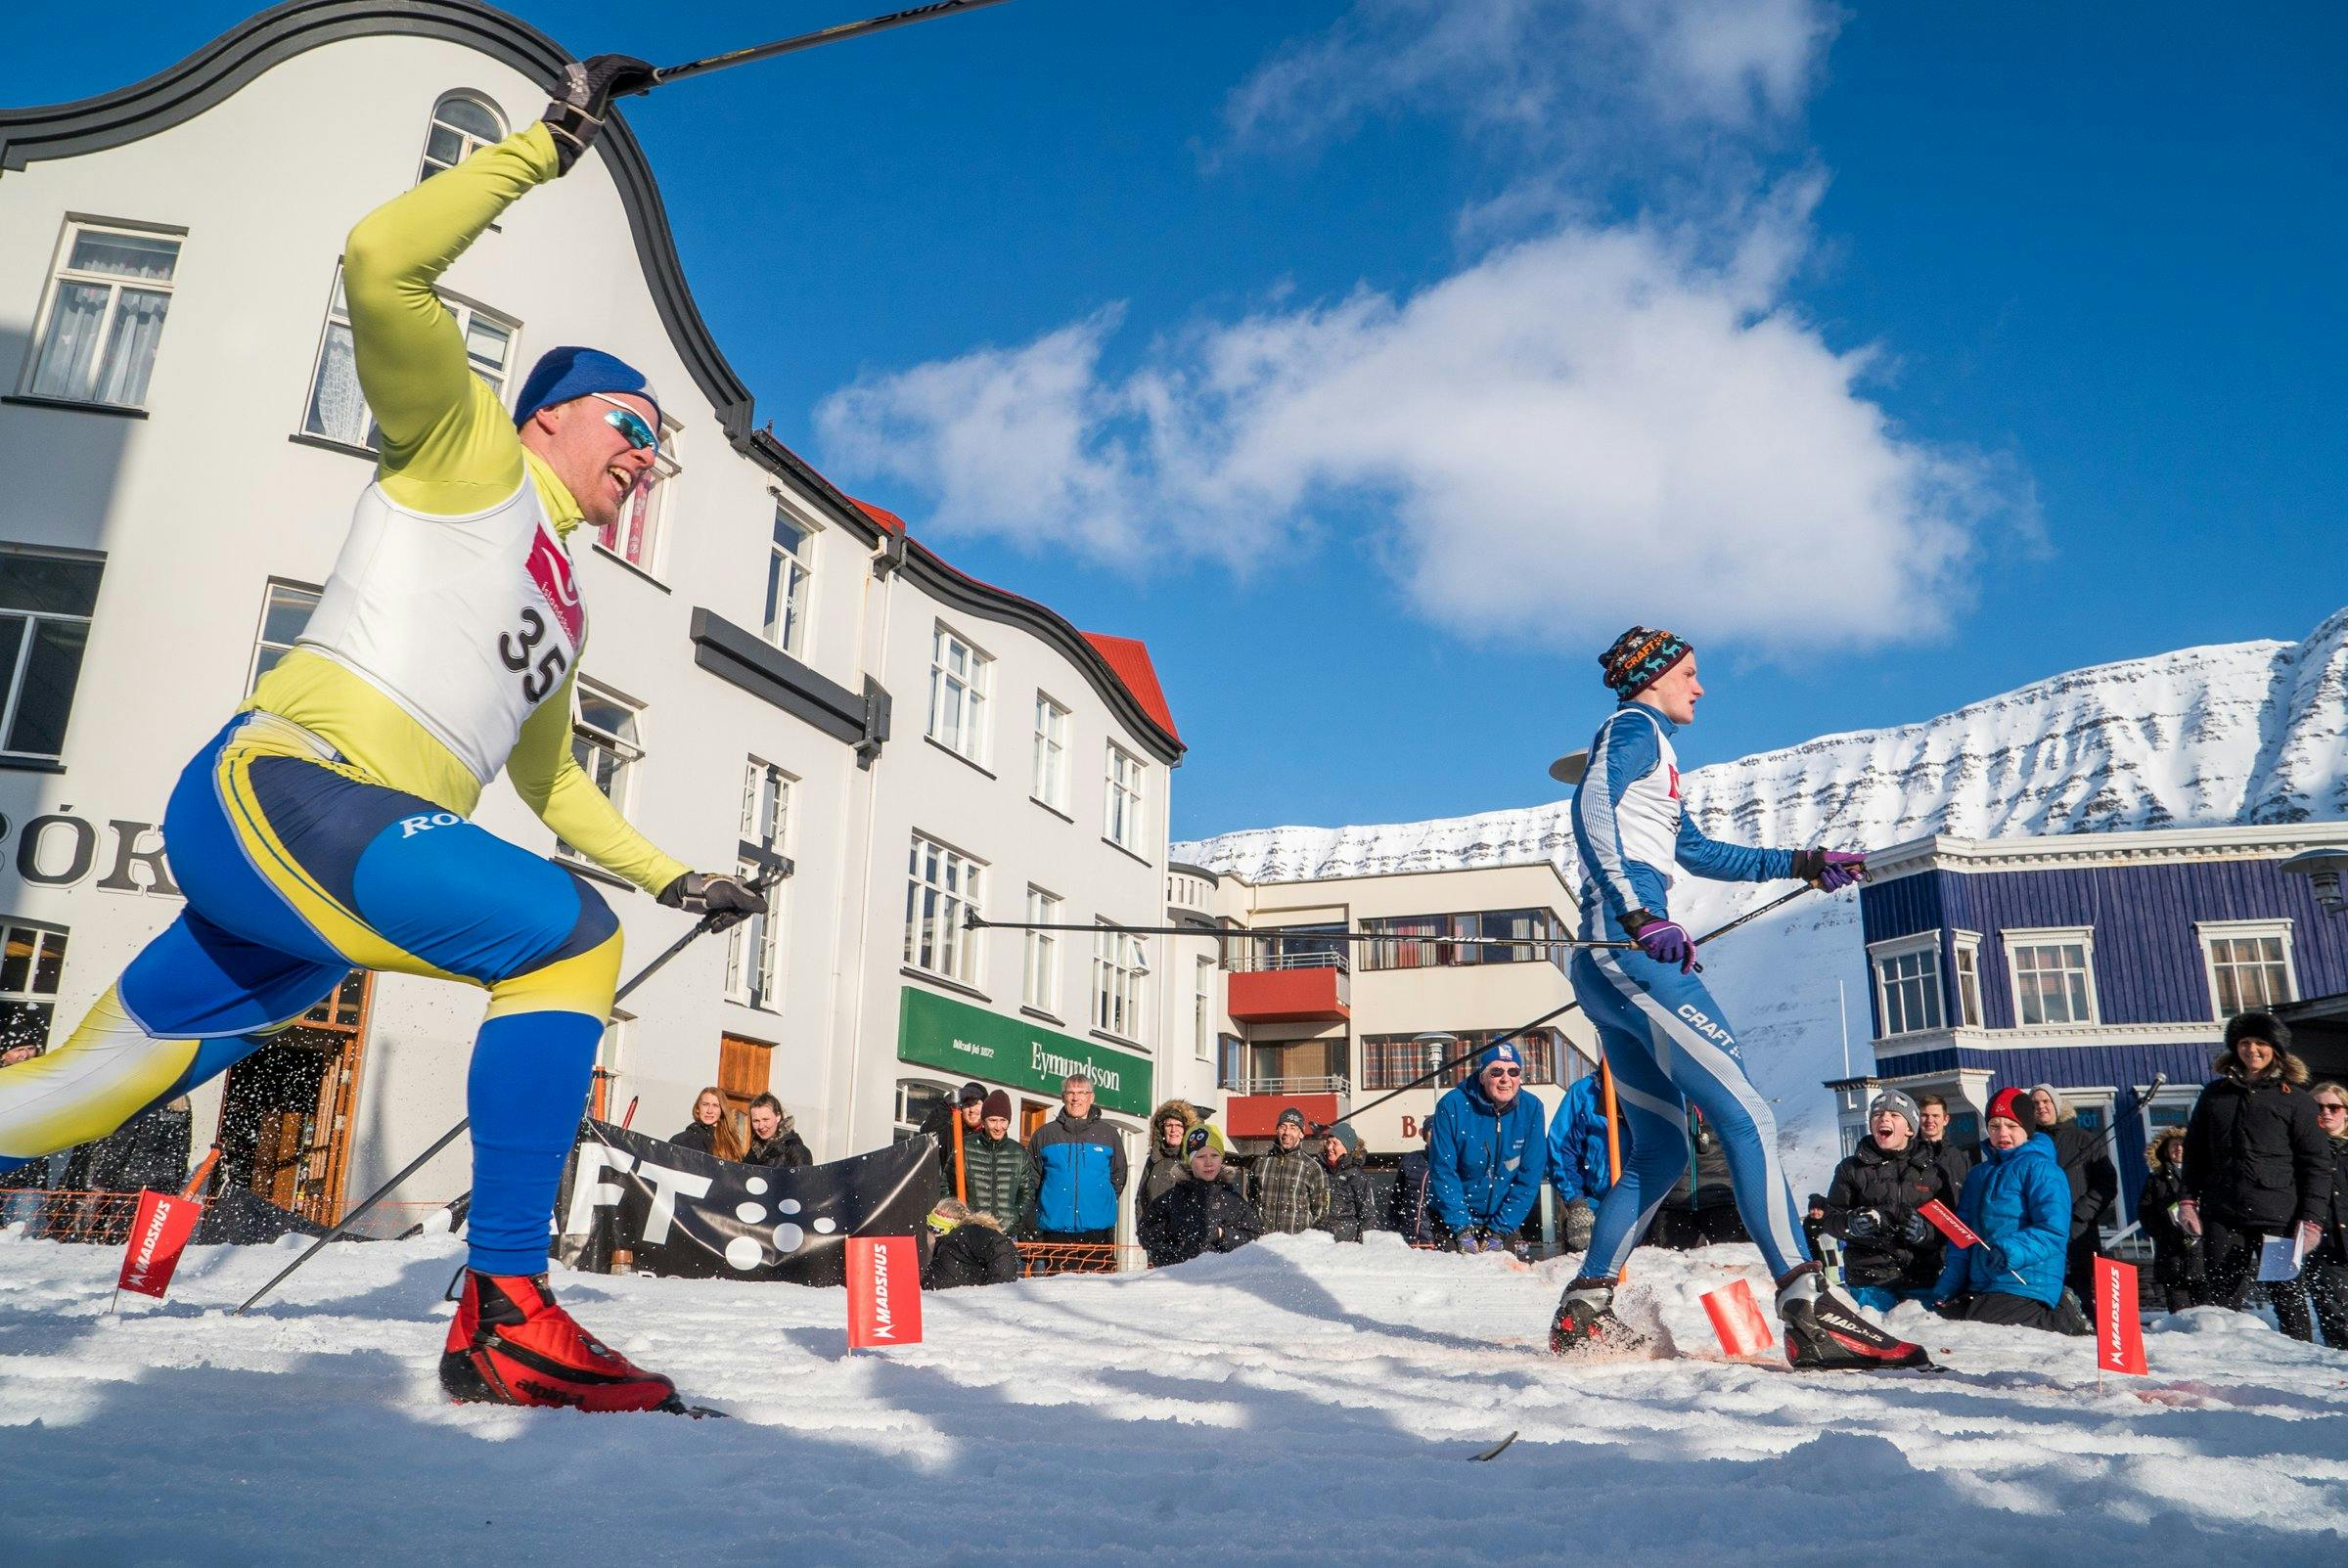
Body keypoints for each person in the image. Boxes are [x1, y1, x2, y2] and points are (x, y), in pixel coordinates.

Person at [0, 62, 771, 1412]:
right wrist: (553, 140)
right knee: (565, 938)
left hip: (314, 883)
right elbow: (379, 258)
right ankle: (508, 1307)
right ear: (550, 416)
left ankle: (508, 1308)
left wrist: (671, 874)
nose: (646, 456)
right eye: (631, 427)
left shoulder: (567, 599)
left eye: (662, 449)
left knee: (80, 1087)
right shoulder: (467, 449)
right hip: (281, 791)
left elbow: (554, 790)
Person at [1547, 626, 1925, 1369]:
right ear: (1653, 677)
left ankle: (1585, 1309)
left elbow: (1697, 850)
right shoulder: (1631, 730)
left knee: (1658, 1152)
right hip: (1633, 954)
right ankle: (1809, 1307)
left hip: (1609, 964)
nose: (1701, 685)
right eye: (1690, 672)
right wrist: (1638, 915)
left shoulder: (1655, 750)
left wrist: (1802, 863)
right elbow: (1590, 810)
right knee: (1747, 1113)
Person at [2180, 1010, 2333, 1336]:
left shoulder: (2296, 1101)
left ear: (2275, 1049)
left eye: (2261, 1043)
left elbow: (2316, 1164)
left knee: (2287, 1296)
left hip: (2279, 1218)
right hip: (2223, 1214)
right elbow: (2195, 1153)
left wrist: (2312, 1219)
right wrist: (2188, 1200)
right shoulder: (2214, 1095)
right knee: (2220, 1299)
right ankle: (2229, 1370)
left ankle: (2298, 1363)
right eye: (2245, 1043)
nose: (2252, 1050)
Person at [1928, 1087, 2073, 1332]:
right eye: (1994, 1126)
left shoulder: (2042, 1170)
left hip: (2026, 1282)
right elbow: (1963, 1235)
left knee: (1979, 1331)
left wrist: (2009, 1250)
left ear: (2026, 1129)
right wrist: (1950, 1282)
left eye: (2011, 1126)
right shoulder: (1978, 1175)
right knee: (1937, 1325)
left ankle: (2063, 1319)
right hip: (1981, 1283)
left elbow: (2053, 1231)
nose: (2002, 1133)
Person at [1807, 1090, 1952, 1312]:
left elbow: (1950, 1225)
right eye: (1878, 1115)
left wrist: (1926, 1233)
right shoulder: (1850, 1168)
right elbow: (1831, 1220)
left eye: (1894, 1115)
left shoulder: (1933, 1170)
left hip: (1923, 1277)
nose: (1884, 1119)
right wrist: (1850, 1224)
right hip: (1869, 1278)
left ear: (1910, 1128)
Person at [1428, 1043, 1546, 1256]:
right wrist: (1461, 1229)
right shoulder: (1452, 1105)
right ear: (1482, 1077)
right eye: (1496, 1071)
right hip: (1453, 1221)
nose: (1505, 1079)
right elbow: (1443, 1170)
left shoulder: (1532, 1108)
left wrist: (1499, 1231)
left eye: (1513, 1071)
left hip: (1503, 1223)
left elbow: (1530, 1175)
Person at [2025, 1083, 2119, 1321]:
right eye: (2035, 1103)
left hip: (2078, 1230)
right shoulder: (2027, 1143)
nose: (2041, 1107)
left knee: (2082, 1287)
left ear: (2056, 1105)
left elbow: (2106, 1183)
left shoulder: (2083, 1140)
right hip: (2039, 1228)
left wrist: (2080, 1213)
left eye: (2045, 1101)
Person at [1029, 1074, 1127, 1260]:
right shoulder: (1045, 1134)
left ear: (1091, 1097)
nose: (1075, 1098)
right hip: (1055, 1230)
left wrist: (1100, 1201)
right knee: (1056, 1288)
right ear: (1063, 1097)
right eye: (1070, 1093)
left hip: (1097, 1232)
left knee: (1095, 1288)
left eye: (1081, 1093)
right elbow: (1033, 1179)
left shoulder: (1109, 1134)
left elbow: (1118, 1176)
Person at [1139, 1128, 1262, 1268]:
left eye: (1214, 1155)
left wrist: (1222, 1234)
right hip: (1175, 1280)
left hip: (1218, 1280)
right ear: (1189, 1161)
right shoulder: (1171, 1198)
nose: (1208, 1162)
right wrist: (1168, 1231)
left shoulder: (1233, 1201)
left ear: (1222, 1159)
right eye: (1201, 1156)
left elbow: (1254, 1240)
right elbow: (1145, 1233)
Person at [1547, 1070, 1618, 1254]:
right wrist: (1577, 1203)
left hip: (1648, 1207)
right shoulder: (1585, 1092)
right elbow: (1562, 1149)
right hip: (1597, 1205)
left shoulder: (1655, 1087)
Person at [2137, 1127, 2203, 1313]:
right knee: (2179, 1312)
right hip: (2171, 1253)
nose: (2179, 1149)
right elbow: (2145, 1212)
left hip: (2202, 1252)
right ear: (2165, 1150)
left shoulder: (2204, 1175)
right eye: (2174, 1145)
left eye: (2183, 1145)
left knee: (2207, 1313)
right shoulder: (2156, 1179)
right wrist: (2164, 1234)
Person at [2304, 1081, 2348, 1348]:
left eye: (2334, 1106)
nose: (2326, 1112)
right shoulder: (2301, 1151)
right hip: (2325, 1246)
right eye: (2318, 1107)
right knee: (2336, 1317)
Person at [963, 1090, 1037, 1237]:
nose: (998, 1127)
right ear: (983, 1122)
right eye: (993, 1120)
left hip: (1006, 1233)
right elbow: (948, 1186)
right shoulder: (966, 1147)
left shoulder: (1019, 1152)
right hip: (972, 1231)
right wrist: (961, 1215)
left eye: (1003, 1120)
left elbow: (1027, 1193)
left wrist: (1016, 1217)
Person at [1252, 1107, 1331, 1235]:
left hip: (1296, 1246)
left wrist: (1303, 1233)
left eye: (1293, 1127)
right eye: (1283, 1127)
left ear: (1301, 1133)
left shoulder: (1312, 1167)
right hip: (1263, 1242)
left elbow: (1321, 1212)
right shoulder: (1261, 1163)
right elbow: (1252, 1200)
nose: (1287, 1132)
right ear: (1277, 1130)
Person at [923, 1198, 1020, 1289]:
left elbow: (1002, 1248)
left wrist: (994, 1292)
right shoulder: (962, 1244)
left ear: (934, 1231)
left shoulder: (961, 1238)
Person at [917, 1081, 988, 1202]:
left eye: (976, 1104)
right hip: (950, 1201)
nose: (972, 1110)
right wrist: (949, 1101)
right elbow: (927, 1131)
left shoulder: (989, 1136)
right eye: (967, 1105)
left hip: (980, 1204)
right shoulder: (951, 1131)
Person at [1137, 1098, 1203, 1215]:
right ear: (1162, 1129)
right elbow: (1141, 1198)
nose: (1173, 1130)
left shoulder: (1196, 1160)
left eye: (1179, 1125)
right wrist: (1144, 1229)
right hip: (1156, 1230)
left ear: (1187, 1129)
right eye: (1169, 1125)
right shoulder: (1154, 1159)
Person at [1315, 1123, 1376, 1243]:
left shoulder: (1357, 1176)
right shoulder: (1318, 1170)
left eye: (1335, 1143)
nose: (1329, 1147)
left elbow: (1368, 1216)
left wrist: (1365, 1246)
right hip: (1318, 1242)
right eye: (1328, 1142)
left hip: (1346, 1246)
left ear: (1347, 1148)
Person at [1916, 1094, 1975, 1197]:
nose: (1930, 1120)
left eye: (1935, 1116)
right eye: (1924, 1115)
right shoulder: (1909, 1154)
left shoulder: (1959, 1158)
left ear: (1945, 1120)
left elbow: (1969, 1195)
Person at [1389, 1120, 1438, 1245]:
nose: (1437, 1135)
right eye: (1432, 1131)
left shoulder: (1452, 1163)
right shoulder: (1411, 1160)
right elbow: (1396, 1200)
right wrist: (1392, 1231)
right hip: (1407, 1239)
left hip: (1436, 1241)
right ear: (1425, 1136)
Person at [671, 1086, 745, 1162]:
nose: (710, 1111)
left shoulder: (732, 1142)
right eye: (705, 1104)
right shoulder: (681, 1141)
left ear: (722, 1111)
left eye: (715, 1106)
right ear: (697, 1108)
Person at [743, 1093, 811, 1170]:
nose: (761, 1126)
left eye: (765, 1119)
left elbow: (803, 1181)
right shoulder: (755, 1151)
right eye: (756, 1121)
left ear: (778, 1117)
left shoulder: (796, 1151)